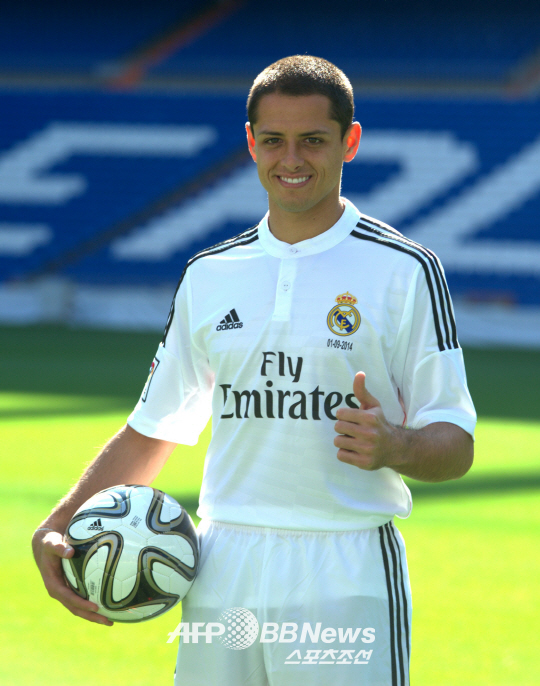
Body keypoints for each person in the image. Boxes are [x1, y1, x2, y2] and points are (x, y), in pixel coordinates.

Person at [33, 55, 476, 686]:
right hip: (221, 564)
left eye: (313, 140)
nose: (291, 159)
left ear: (349, 142)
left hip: (344, 565)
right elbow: (154, 428)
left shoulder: (406, 271)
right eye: (273, 140)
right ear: (250, 143)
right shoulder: (210, 274)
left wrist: (396, 445)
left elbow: (456, 443)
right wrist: (58, 525)